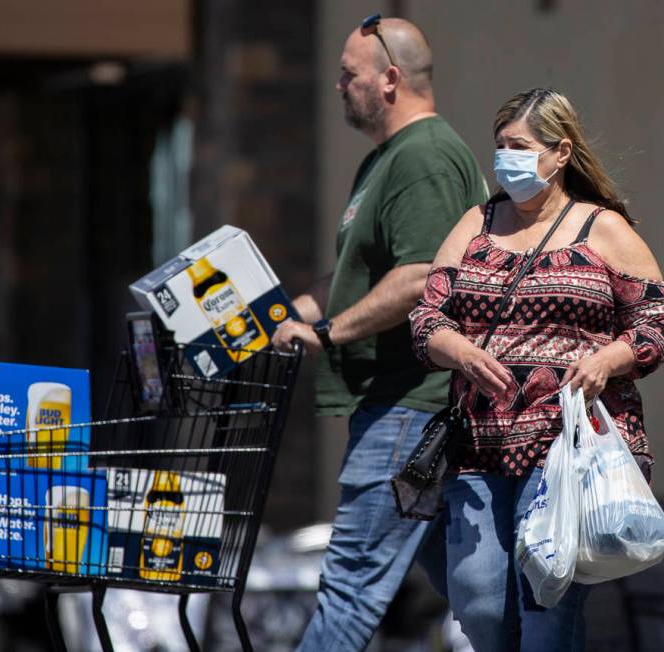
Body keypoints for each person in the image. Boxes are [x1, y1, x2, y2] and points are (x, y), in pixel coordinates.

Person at [409, 88, 664, 651]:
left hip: (566, 446)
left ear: (560, 153)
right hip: (479, 444)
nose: (506, 157)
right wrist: (456, 349)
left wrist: (609, 358)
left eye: (520, 145)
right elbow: (426, 315)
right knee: (481, 602)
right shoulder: (477, 223)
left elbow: (658, 322)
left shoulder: (601, 228)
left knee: (546, 608)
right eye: (499, 145)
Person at [272, 15, 487, 652]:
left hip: (408, 413)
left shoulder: (422, 157)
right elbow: (361, 272)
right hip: (411, 413)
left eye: (349, 74)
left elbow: (422, 277)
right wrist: (296, 313)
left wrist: (330, 332)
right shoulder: (385, 161)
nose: (338, 85)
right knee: (481, 596)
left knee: (347, 596)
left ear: (390, 79)